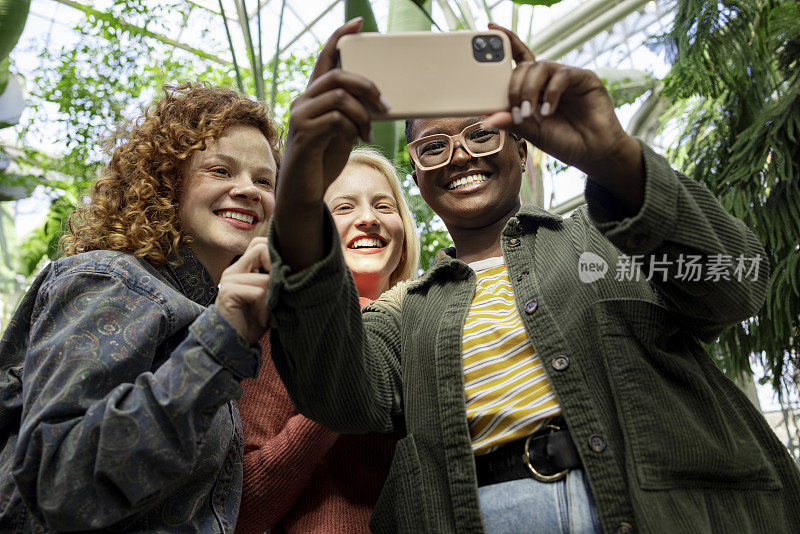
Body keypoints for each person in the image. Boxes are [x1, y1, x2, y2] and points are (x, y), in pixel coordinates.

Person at [267, 18, 800, 534]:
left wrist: (616, 159)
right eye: (433, 146)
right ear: (419, 180)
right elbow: (335, 394)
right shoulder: (403, 312)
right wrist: (299, 191)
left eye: (482, 134)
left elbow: (736, 282)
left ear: (522, 149)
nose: (459, 156)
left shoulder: (612, 235)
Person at [0, 82, 276, 531]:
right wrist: (216, 345)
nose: (248, 190)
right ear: (168, 180)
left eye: (264, 180)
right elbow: (57, 482)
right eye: (221, 170)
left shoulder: (213, 312)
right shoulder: (111, 279)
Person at [235, 147, 419, 533]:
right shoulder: (276, 333)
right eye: (344, 208)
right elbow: (243, 507)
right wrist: (342, 386)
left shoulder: (429, 324)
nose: (368, 219)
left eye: (384, 206)